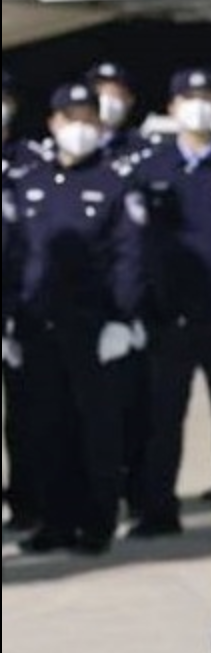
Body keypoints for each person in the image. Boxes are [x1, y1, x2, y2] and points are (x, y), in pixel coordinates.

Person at [6, 82, 144, 555]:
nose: (80, 128)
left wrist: (121, 319)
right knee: (45, 428)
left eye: (88, 120)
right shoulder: (30, 183)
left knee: (96, 430)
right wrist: (8, 319)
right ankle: (54, 522)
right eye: (71, 119)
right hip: (37, 325)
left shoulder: (112, 184)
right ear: (53, 123)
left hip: (93, 328)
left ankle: (96, 522)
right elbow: (14, 255)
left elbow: (130, 257)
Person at [125, 68, 211, 533]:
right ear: (173, 107)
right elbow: (136, 248)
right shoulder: (151, 169)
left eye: (206, 96)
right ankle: (158, 511)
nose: (198, 106)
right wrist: (137, 309)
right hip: (167, 318)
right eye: (188, 97)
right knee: (162, 421)